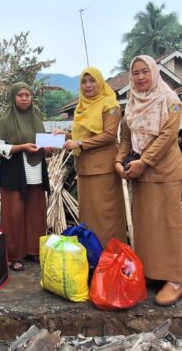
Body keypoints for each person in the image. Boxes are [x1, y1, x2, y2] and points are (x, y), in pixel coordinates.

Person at [115, 55, 182, 307]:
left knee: (169, 225)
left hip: (165, 171)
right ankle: (153, 273)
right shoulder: (132, 103)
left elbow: (168, 136)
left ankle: (176, 280)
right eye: (135, 73)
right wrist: (119, 160)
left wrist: (144, 161)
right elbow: (126, 137)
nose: (140, 77)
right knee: (146, 226)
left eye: (145, 71)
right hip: (141, 173)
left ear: (154, 73)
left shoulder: (170, 100)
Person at [58, 67, 126, 247]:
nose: (88, 85)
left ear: (100, 82)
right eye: (84, 82)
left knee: (106, 215)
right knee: (89, 216)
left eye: (92, 81)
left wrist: (79, 144)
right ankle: (92, 254)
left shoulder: (110, 105)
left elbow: (109, 135)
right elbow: (83, 135)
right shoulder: (82, 107)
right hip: (85, 168)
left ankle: (110, 254)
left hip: (103, 169)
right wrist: (65, 136)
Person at [0, 82, 50, 272]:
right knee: (13, 214)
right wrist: (20, 147)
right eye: (20, 95)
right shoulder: (5, 120)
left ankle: (33, 250)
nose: (24, 98)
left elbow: (42, 142)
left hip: (36, 171)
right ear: (13, 97)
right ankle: (14, 255)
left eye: (27, 95)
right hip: (14, 172)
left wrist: (49, 147)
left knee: (35, 213)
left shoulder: (36, 116)